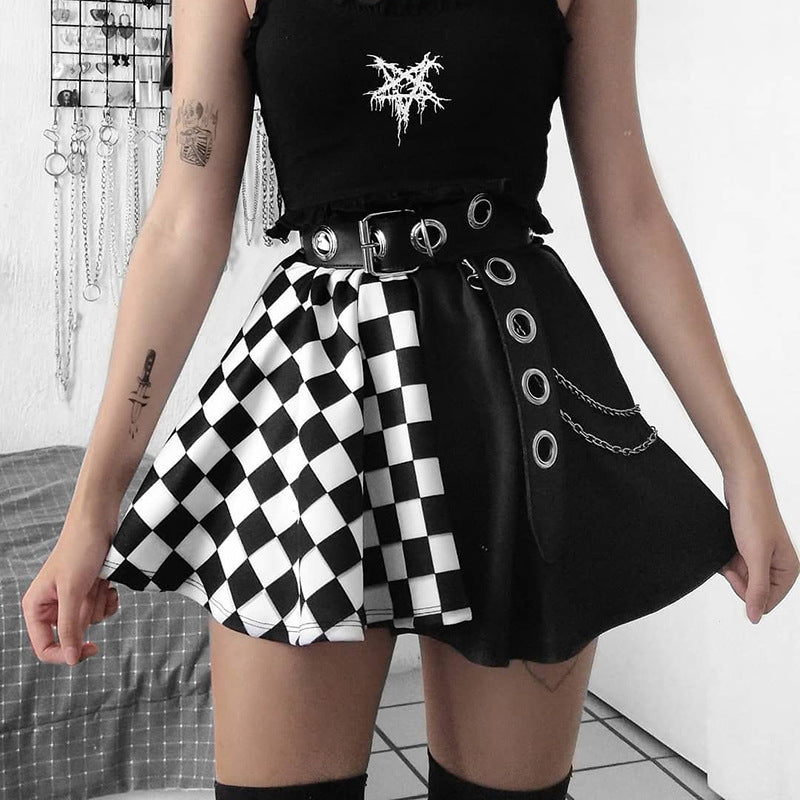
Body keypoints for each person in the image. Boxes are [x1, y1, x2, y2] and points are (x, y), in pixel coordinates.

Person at [22, 0, 798, 798]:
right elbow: (183, 227)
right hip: (309, 398)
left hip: (514, 397)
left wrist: (743, 465)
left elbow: (631, 214)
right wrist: (91, 512)